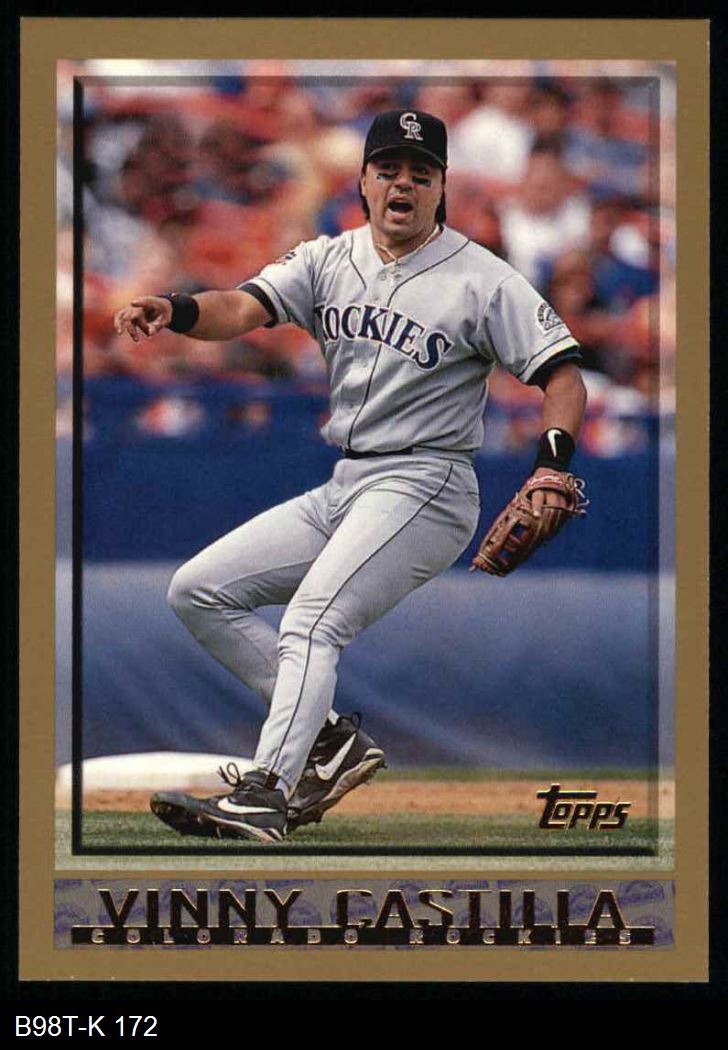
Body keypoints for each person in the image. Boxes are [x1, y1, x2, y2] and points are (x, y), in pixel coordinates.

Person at [114, 109, 587, 844]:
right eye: (388, 169)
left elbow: (562, 374)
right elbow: (238, 307)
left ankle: (268, 790)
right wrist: (175, 308)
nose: (403, 184)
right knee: (199, 591)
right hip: (348, 483)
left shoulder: (484, 278)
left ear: (441, 187)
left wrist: (553, 463)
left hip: (427, 483)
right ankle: (331, 741)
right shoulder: (327, 258)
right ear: (363, 181)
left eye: (420, 173)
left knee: (311, 621)